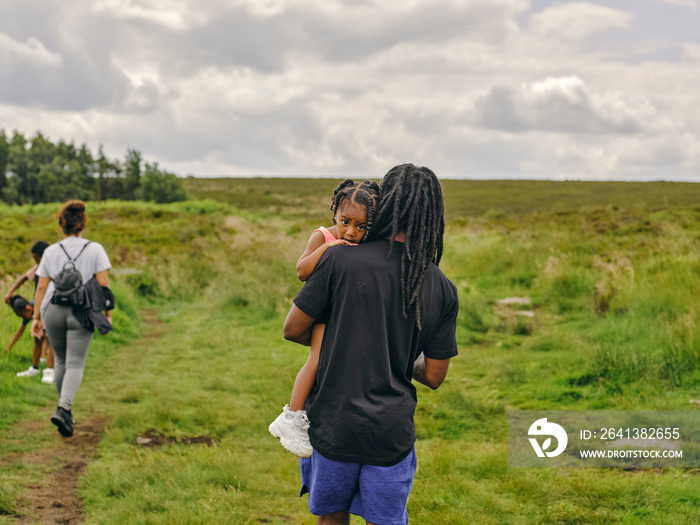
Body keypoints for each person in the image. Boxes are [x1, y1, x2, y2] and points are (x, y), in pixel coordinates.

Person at [283, 164, 459, 525]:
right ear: (434, 215)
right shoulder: (442, 287)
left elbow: (293, 329)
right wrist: (397, 352)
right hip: (389, 434)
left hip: (333, 422)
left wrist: (340, 342)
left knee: (331, 519)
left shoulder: (339, 259)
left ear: (385, 204)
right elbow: (435, 375)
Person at [269, 179, 380, 457]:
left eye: (361, 226)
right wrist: (329, 249)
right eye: (345, 222)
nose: (351, 232)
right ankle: (292, 416)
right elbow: (301, 270)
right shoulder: (324, 236)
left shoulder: (366, 241)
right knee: (317, 359)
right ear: (335, 215)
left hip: (348, 312)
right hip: (326, 311)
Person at [31, 200, 112, 438]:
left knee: (61, 362)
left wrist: (37, 317)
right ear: (82, 224)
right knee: (76, 363)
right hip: (82, 311)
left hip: (53, 310)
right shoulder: (95, 249)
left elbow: (41, 288)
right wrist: (107, 314)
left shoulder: (50, 251)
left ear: (62, 225)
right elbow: (104, 284)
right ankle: (64, 408)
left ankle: (65, 411)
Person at [5, 295, 56, 384]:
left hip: (50, 313)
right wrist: (9, 347)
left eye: (23, 316)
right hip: (41, 317)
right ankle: (34, 368)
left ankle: (50, 369)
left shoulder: (39, 305)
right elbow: (20, 331)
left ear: (28, 309)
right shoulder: (28, 311)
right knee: (37, 338)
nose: (24, 319)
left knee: (51, 338)